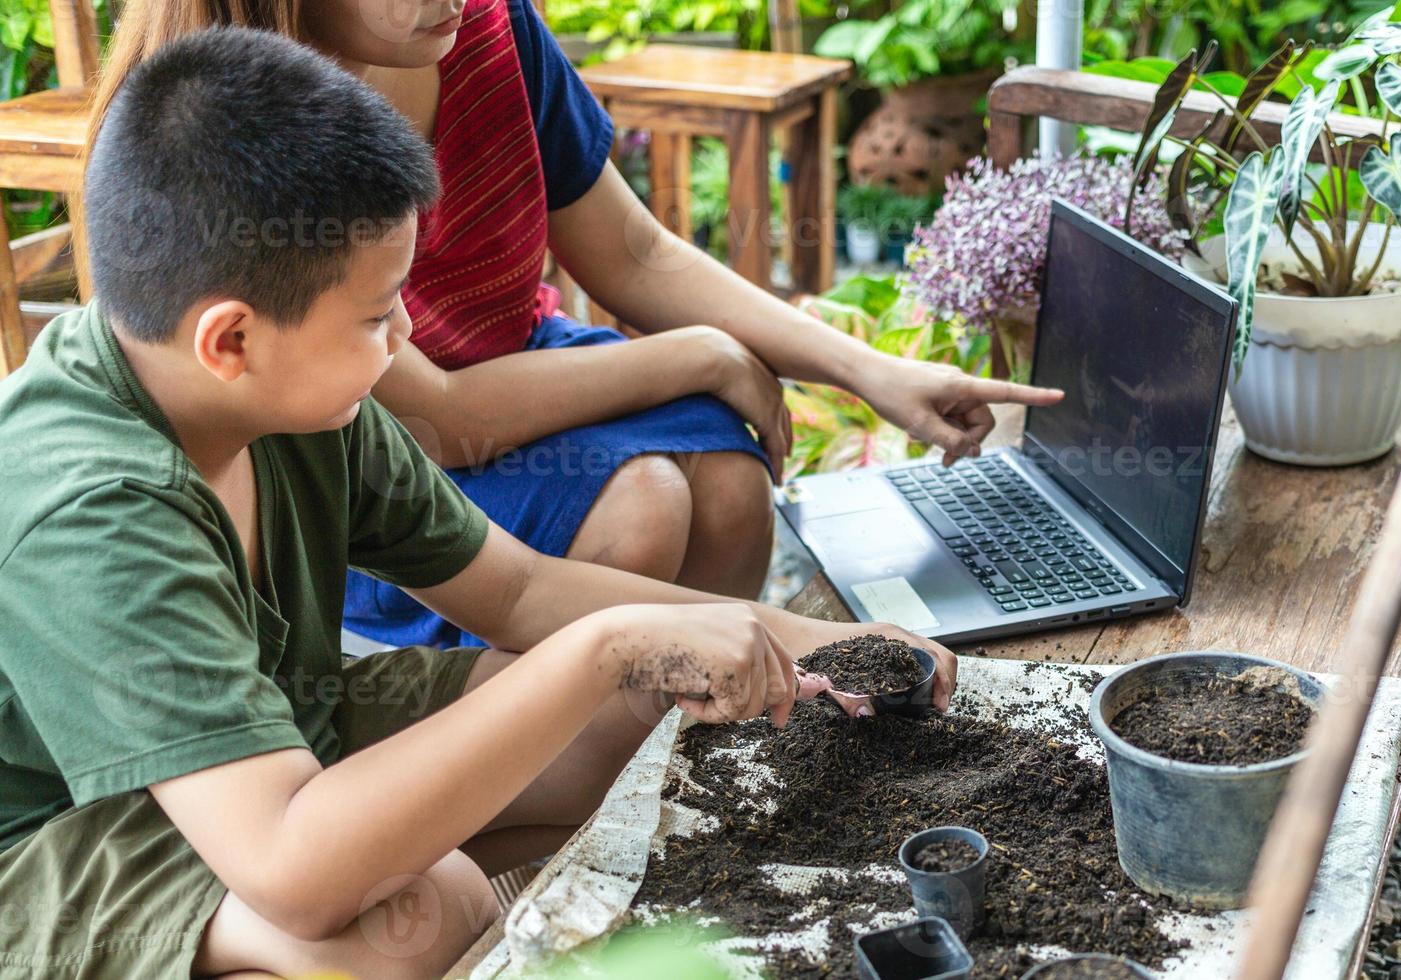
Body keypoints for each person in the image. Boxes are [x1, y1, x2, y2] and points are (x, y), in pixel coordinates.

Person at [0, 29, 955, 978]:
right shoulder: (95, 512)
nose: (407, 332)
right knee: (405, 924)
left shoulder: (296, 398)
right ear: (231, 340)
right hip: (57, 841)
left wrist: (819, 644)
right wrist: (611, 642)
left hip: (270, 741)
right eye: (378, 316)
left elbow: (521, 590)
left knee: (645, 718)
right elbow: (293, 872)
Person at [84, 0, 1062, 648]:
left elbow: (633, 256)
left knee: (729, 482)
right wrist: (705, 356)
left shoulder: (487, 30)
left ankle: (682, 749)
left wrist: (870, 370)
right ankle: (557, 758)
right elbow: (435, 417)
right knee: (643, 505)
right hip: (366, 453)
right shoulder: (233, 135)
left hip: (522, 368)